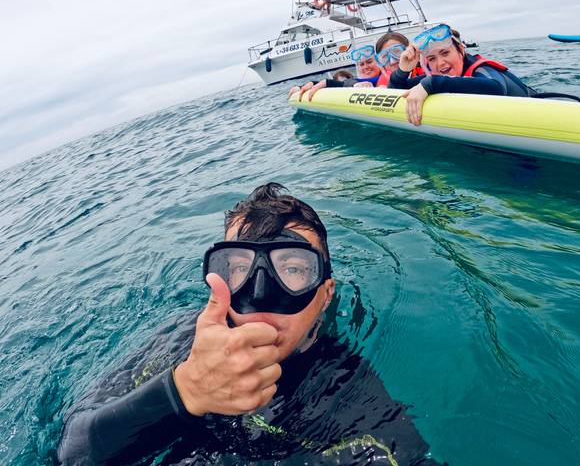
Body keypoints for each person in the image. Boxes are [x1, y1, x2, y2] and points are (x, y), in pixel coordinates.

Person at [56, 183, 444, 466]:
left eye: (292, 269)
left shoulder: (351, 397)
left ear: (325, 294)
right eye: (240, 268)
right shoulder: (178, 344)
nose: (259, 294)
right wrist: (184, 391)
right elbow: (71, 453)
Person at [388, 24, 580, 125]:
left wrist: (431, 84)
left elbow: (495, 89)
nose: (440, 63)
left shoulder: (482, 70)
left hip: (546, 112)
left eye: (445, 53)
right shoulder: (439, 77)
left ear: (461, 51)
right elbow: (393, 91)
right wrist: (403, 70)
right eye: (431, 59)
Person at [288, 33, 411, 101]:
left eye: (397, 51)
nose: (393, 59)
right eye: (361, 64)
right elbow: (349, 82)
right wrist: (311, 83)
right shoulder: (381, 79)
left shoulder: (387, 76)